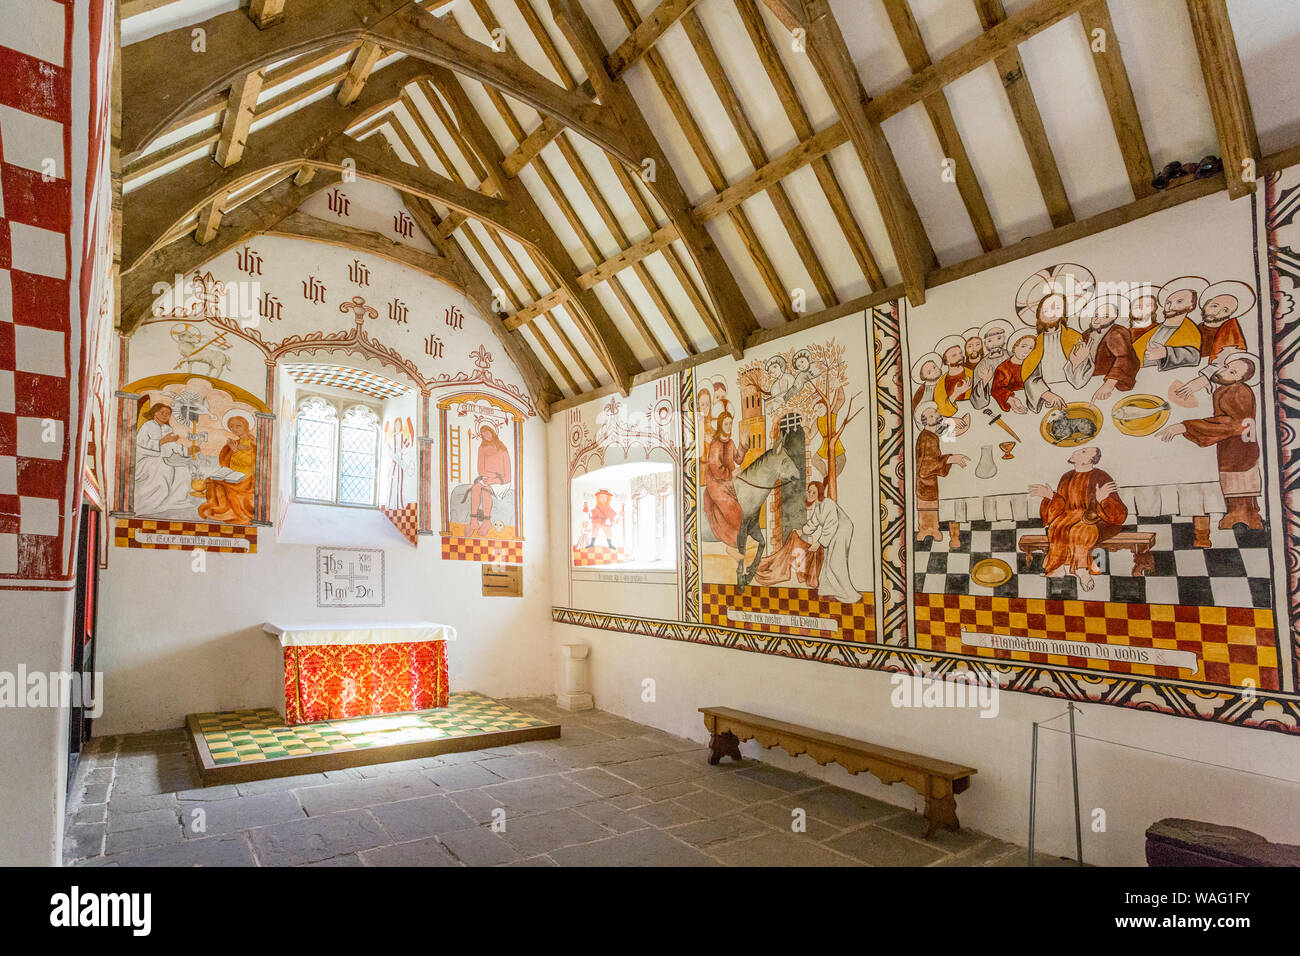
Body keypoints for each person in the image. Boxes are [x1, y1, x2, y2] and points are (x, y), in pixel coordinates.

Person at [1160, 351, 1263, 530]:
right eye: (1227, 367)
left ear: (1240, 379)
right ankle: (1243, 517)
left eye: (1232, 372)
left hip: (1238, 452)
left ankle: (1242, 520)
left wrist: (1187, 426)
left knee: (1238, 491)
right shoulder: (1228, 387)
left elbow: (1233, 423)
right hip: (1237, 449)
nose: (1224, 372)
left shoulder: (1238, 391)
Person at [1028, 446, 1127, 592]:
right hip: (1069, 516)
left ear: (1090, 460)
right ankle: (1058, 566)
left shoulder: (1101, 476)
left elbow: (1117, 513)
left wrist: (1102, 500)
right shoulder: (1066, 476)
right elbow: (1062, 504)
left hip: (1097, 519)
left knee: (1079, 530)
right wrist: (1051, 497)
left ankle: (1082, 569)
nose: (1076, 452)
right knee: (1056, 526)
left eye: (1084, 451)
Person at [1065, 294, 1138, 402]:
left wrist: (1109, 384)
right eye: (1096, 315)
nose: (1097, 320)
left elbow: (1126, 358)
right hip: (1089, 383)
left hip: (1109, 386)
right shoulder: (1086, 335)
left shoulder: (1116, 333)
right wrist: (1076, 363)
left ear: (1113, 318)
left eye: (1105, 316)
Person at [798, 480, 860, 603]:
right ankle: (828, 589)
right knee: (827, 560)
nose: (810, 494)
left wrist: (819, 543)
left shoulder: (828, 504)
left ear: (819, 493)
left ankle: (852, 595)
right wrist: (802, 531)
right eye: (809, 491)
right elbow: (813, 523)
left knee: (835, 562)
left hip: (842, 530)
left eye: (813, 492)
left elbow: (831, 524)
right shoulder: (818, 506)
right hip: (834, 531)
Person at [915, 403, 969, 542]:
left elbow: (948, 431)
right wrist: (951, 459)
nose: (936, 415)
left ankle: (933, 530)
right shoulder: (926, 438)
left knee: (932, 508)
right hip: (925, 484)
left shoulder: (932, 434)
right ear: (925, 421)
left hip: (929, 483)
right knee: (926, 509)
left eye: (935, 412)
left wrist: (958, 422)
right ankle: (925, 531)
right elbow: (926, 467)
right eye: (931, 415)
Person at [133, 402, 197, 516]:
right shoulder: (147, 426)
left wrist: (188, 450)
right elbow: (140, 443)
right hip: (146, 459)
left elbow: (173, 445)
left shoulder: (167, 428)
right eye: (161, 412)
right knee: (162, 469)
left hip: (164, 458)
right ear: (154, 413)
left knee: (183, 470)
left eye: (167, 413)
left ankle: (175, 500)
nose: (164, 415)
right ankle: (154, 502)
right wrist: (163, 441)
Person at [1020, 292, 1079, 412]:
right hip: (1046, 395)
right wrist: (1046, 395)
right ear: (1039, 314)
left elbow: (1083, 376)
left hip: (1075, 392)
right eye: (1046, 309)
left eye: (1057, 308)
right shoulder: (1035, 344)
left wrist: (1077, 363)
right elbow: (1030, 376)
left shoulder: (1075, 337)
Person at [1134, 276, 1204, 371]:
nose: (1171, 306)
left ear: (1191, 305)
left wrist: (1166, 353)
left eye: (1179, 301)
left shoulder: (1190, 331)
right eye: (1168, 302)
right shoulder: (1154, 329)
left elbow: (1194, 356)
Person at [198, 416, 256, 524]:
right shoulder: (235, 443)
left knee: (224, 484)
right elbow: (225, 461)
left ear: (246, 426)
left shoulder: (252, 444)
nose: (235, 429)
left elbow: (251, 463)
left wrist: (236, 451)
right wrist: (231, 450)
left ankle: (228, 512)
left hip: (247, 477)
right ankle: (219, 508)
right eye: (232, 426)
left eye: (238, 426)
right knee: (212, 480)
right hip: (233, 473)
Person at [701, 410, 743, 548]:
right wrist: (732, 474)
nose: (729, 426)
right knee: (732, 508)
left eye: (731, 424)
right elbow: (715, 469)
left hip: (728, 482)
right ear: (720, 425)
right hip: (715, 483)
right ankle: (733, 540)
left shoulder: (730, 442)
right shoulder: (716, 444)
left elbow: (738, 459)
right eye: (726, 424)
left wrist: (743, 445)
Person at [465, 424, 511, 538]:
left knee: (485, 490)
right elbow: (481, 470)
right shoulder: (482, 448)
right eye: (483, 434)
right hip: (488, 479)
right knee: (476, 488)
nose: (486, 435)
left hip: (502, 482)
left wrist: (494, 479)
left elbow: (508, 477)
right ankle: (474, 521)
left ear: (492, 432)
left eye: (488, 432)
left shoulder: (503, 449)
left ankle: (486, 522)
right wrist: (490, 477)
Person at [1196, 280, 1252, 363]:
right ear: (1205, 304)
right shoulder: (1194, 329)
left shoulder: (1231, 336)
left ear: (1230, 315)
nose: (1216, 312)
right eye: (1214, 306)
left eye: (1225, 310)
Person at [970, 319, 1012, 410]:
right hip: (994, 406)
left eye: (998, 338)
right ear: (985, 343)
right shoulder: (982, 365)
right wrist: (985, 381)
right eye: (989, 341)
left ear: (1004, 339)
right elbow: (976, 402)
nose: (994, 344)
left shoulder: (1012, 356)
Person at [992, 330, 1036, 414]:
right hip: (1015, 405)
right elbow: (996, 389)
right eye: (1023, 346)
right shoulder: (1003, 368)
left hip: (1033, 402)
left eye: (1030, 348)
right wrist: (1011, 400)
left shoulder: (1033, 366)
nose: (1027, 351)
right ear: (1014, 347)